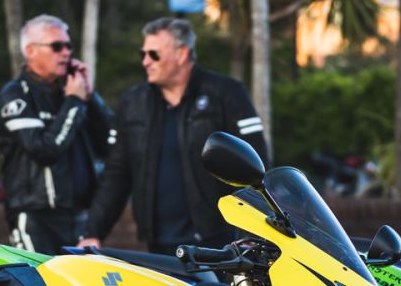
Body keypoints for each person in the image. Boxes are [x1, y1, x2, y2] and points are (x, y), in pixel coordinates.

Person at [81, 17, 268, 254]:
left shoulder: (227, 93)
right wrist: (92, 233)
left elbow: (255, 169)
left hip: (221, 245)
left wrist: (251, 236)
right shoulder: (133, 102)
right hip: (159, 248)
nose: (146, 62)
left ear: (181, 54)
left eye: (154, 54)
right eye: (143, 55)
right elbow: (116, 174)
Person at [0, 15, 113, 254]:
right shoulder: (16, 95)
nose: (66, 52)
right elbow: (43, 150)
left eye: (69, 46)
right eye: (57, 46)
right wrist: (74, 102)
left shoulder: (72, 92)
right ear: (30, 50)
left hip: (79, 217)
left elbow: (110, 144)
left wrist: (90, 97)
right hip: (35, 216)